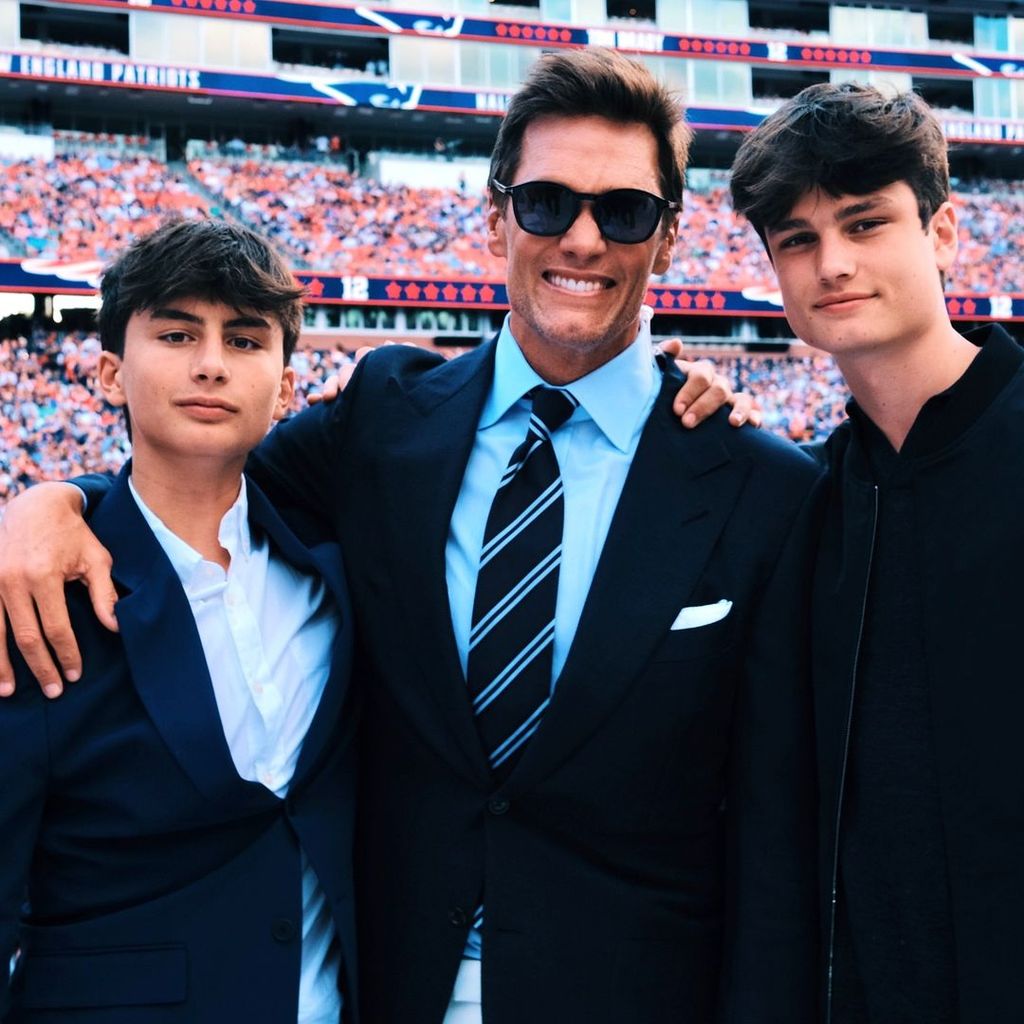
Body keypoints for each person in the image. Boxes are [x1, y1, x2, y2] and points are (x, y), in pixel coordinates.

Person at [0, 50, 820, 1023]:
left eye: (625, 211)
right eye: (547, 202)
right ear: (494, 216)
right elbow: (203, 475)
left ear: (671, 238)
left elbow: (778, 841)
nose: (584, 238)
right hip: (385, 984)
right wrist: (54, 500)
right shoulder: (386, 417)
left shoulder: (759, 486)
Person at [0, 220, 358, 1022]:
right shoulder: (34, 592)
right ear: (109, 374)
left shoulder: (335, 566)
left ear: (289, 388)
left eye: (244, 339)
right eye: (176, 332)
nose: (210, 364)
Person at [730, 82, 1024, 1024]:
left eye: (864, 223)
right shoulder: (805, 505)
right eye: (798, 241)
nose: (834, 264)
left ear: (941, 234)